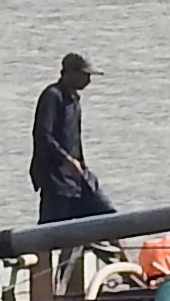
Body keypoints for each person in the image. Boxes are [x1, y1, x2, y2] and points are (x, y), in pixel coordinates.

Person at [30, 53, 113, 227]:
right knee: (51, 229)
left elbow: (74, 140)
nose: (88, 80)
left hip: (78, 177)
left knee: (108, 216)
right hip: (56, 180)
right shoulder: (52, 96)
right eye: (85, 75)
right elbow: (42, 135)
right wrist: (66, 160)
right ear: (69, 73)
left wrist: (82, 166)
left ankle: (120, 245)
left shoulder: (74, 100)